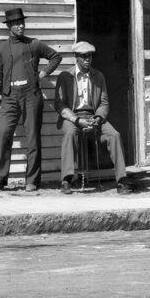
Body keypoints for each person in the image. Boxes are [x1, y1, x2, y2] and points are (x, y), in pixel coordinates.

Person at [0, 7, 62, 192]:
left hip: (31, 96)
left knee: (33, 138)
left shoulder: (34, 44)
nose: (21, 26)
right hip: (9, 97)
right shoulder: (2, 48)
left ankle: (32, 181)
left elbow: (55, 56)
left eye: (22, 23)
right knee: (4, 135)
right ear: (9, 26)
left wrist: (43, 73)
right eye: (17, 23)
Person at [54, 41, 134, 195]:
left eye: (89, 56)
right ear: (76, 57)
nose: (87, 60)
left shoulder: (98, 76)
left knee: (114, 135)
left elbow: (104, 103)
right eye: (83, 56)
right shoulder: (65, 77)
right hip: (72, 117)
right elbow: (60, 105)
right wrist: (77, 120)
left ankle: (122, 180)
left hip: (93, 116)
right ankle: (66, 180)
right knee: (70, 133)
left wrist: (98, 118)